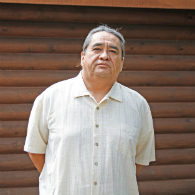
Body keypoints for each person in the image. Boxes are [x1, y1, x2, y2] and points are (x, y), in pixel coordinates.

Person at [24, 25, 155, 195]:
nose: (104, 56)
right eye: (97, 49)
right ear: (83, 57)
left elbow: (139, 160)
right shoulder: (50, 97)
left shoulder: (138, 105)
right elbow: (35, 150)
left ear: (122, 63)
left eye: (113, 51)